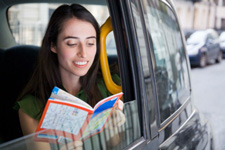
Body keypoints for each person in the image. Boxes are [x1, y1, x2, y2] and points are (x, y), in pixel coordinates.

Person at [14, 3, 125, 150]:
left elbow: (119, 145)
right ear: (53, 45)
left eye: (90, 43)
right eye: (72, 43)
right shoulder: (31, 108)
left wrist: (114, 130)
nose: (83, 53)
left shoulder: (112, 85)